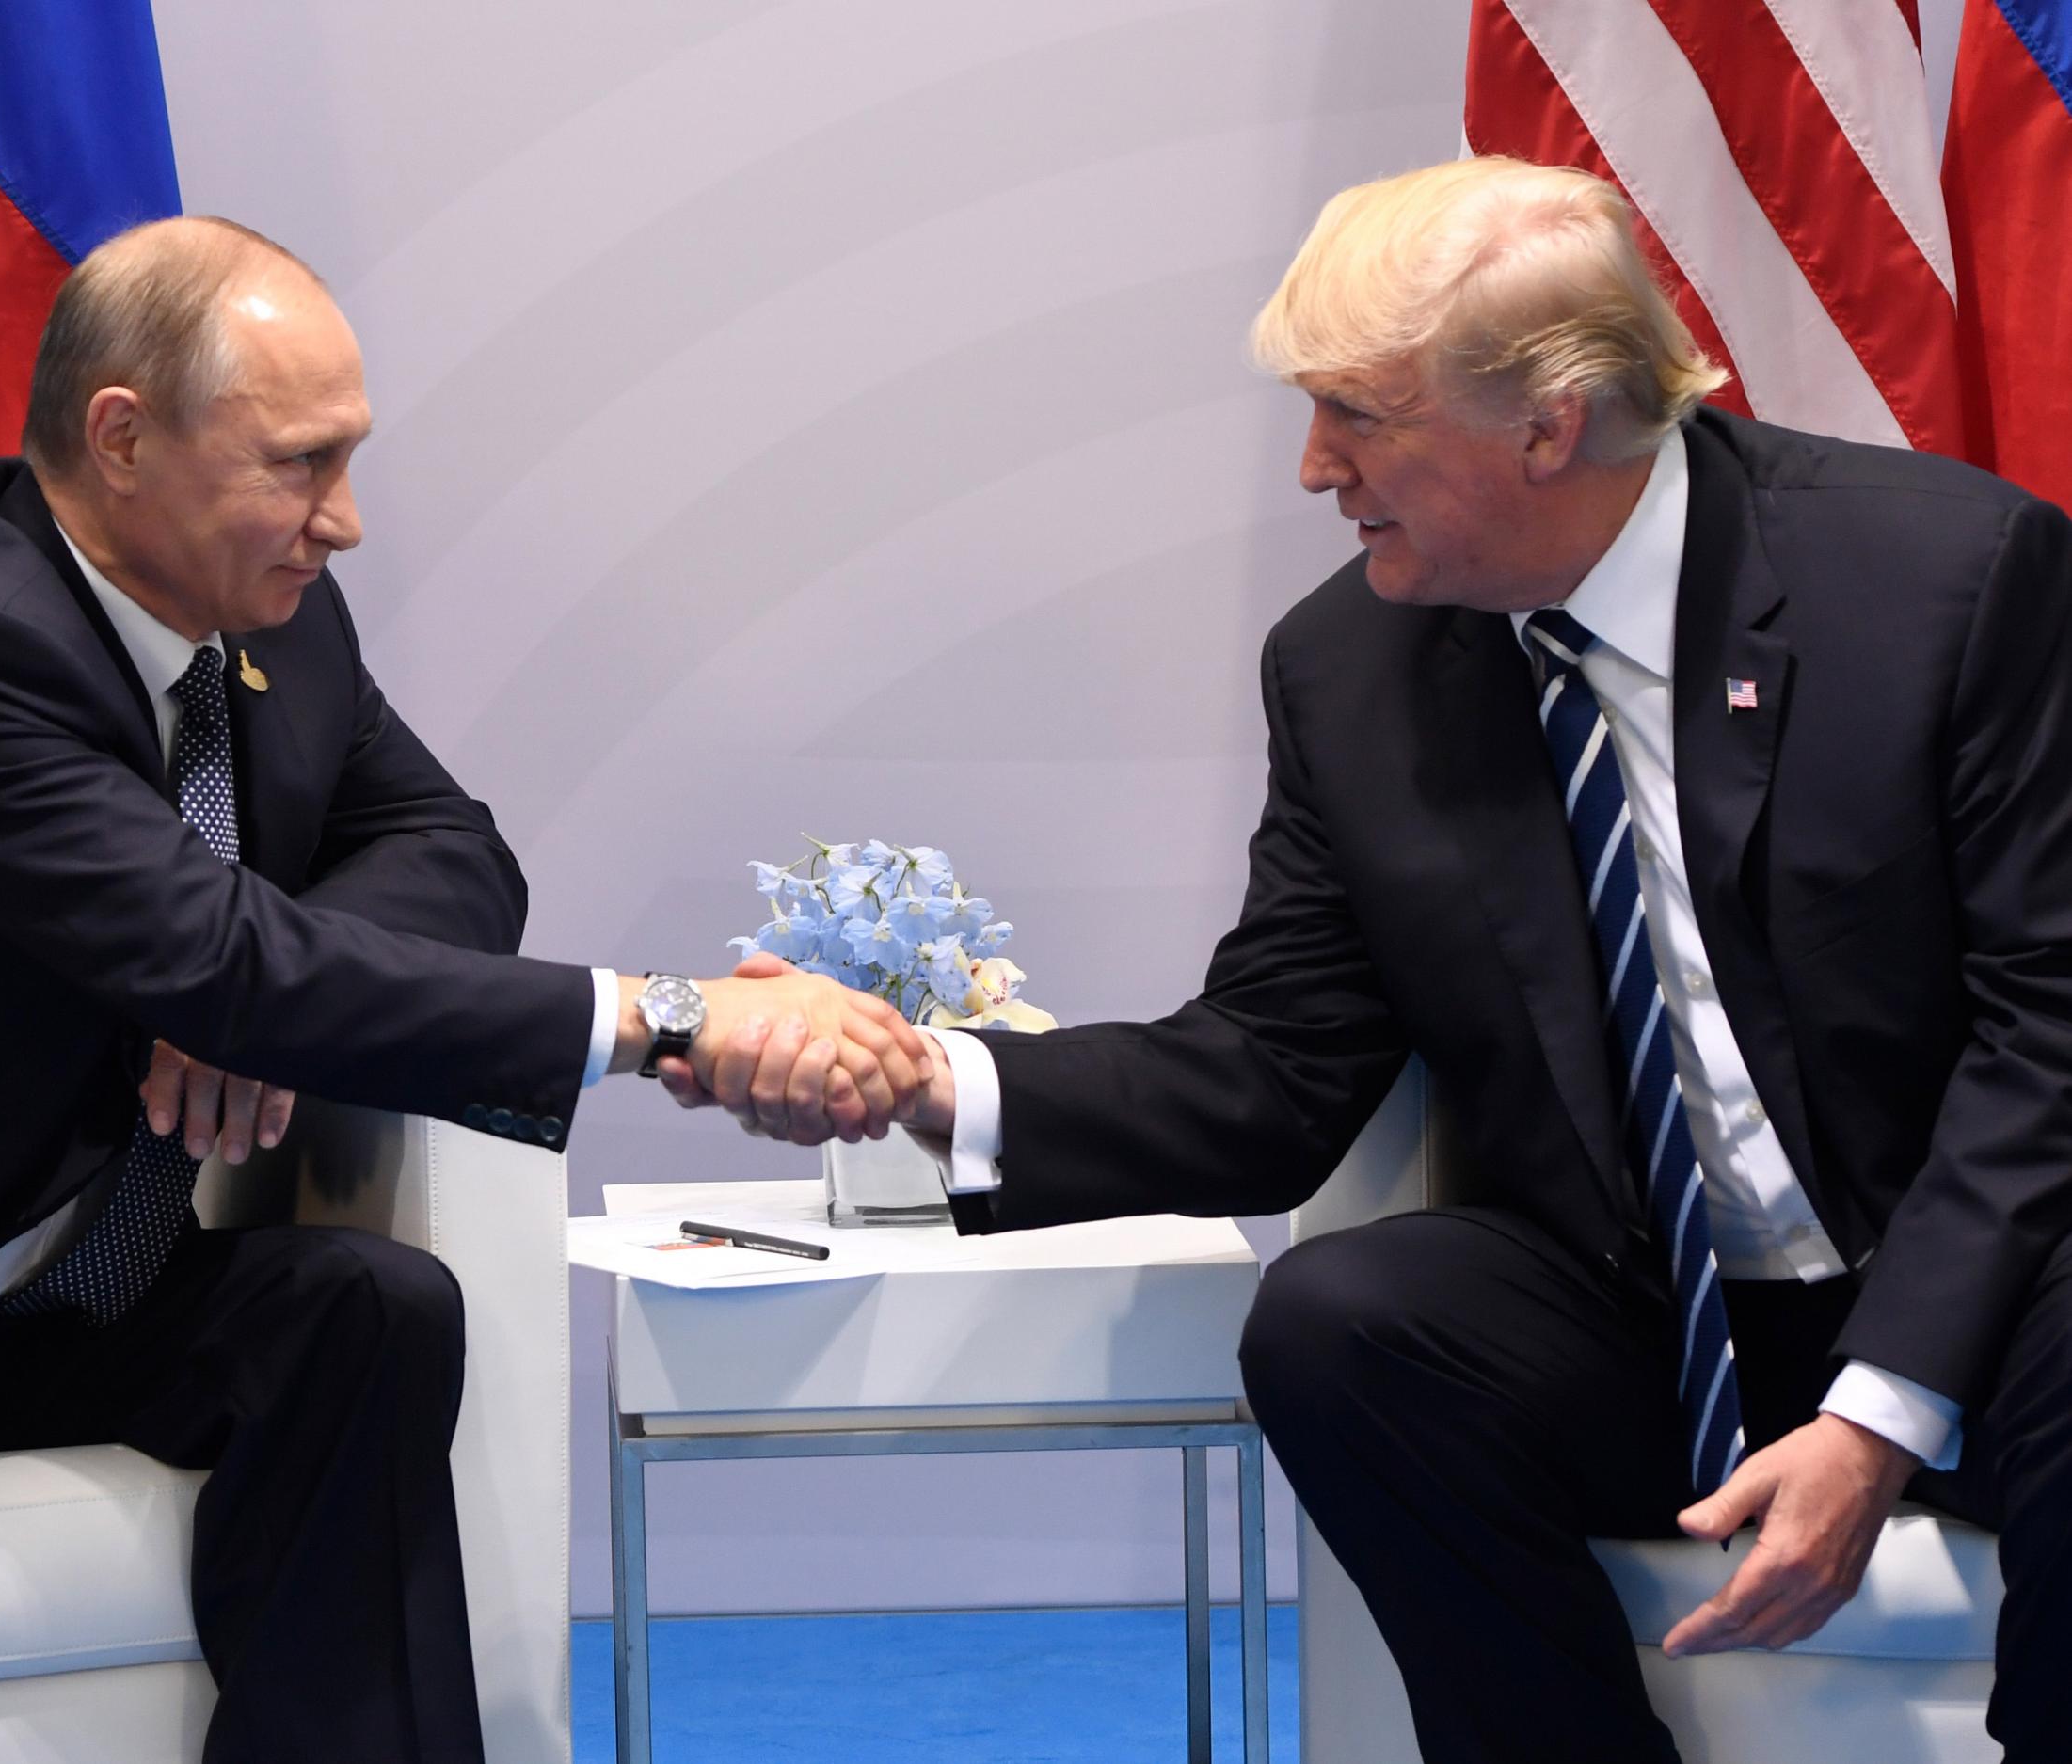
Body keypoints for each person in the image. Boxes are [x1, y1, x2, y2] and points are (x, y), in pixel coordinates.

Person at [681, 156, 2072, 1760]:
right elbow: (1275, 1068)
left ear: (1546, 424)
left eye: (1358, 414)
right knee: (1345, 1322)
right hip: (1642, 1310)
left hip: (1964, 1295)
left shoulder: (1944, 584)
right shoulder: (1352, 668)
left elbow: (2049, 1034)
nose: (1312, 468)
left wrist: (1877, 1410)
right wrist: (934, 1084)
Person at [0, 215, 927, 1762]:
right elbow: (228, 960)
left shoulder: (272, 623)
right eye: (298, 462)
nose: (342, 519)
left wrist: (244, 992)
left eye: (346, 459)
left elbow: (455, 854)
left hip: (79, 1290)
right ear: (124, 436)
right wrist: (670, 1015)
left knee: (366, 1309)